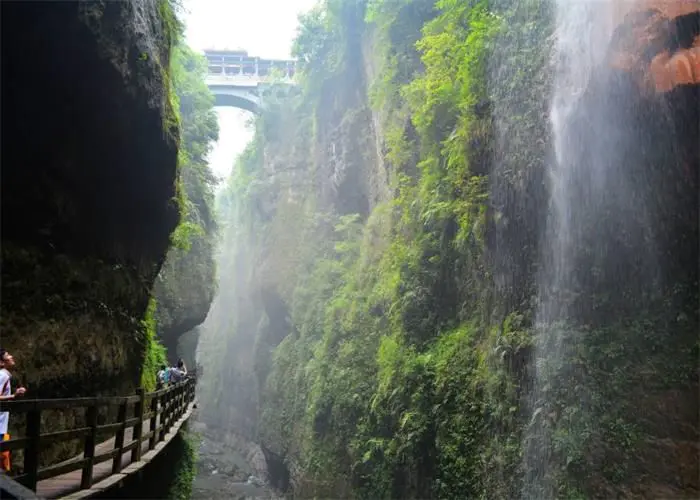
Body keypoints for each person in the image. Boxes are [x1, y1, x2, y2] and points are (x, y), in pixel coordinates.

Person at [0, 348, 26, 472]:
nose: (11, 356)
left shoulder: (5, 375)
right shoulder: (2, 375)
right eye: (7, 355)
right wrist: (14, 396)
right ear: (2, 362)